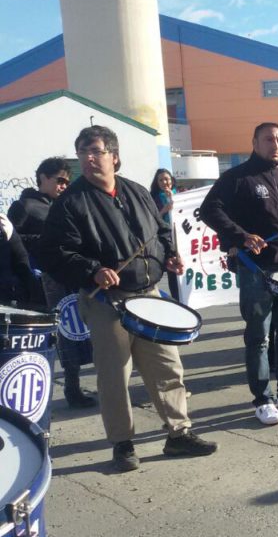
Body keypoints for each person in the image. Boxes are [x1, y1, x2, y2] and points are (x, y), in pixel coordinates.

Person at [39, 125, 217, 471]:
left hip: (149, 296)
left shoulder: (137, 191)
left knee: (167, 366)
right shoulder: (70, 202)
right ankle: (122, 444)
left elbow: (161, 233)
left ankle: (178, 434)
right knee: (114, 376)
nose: (88, 159)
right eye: (82, 153)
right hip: (106, 302)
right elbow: (53, 253)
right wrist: (92, 270)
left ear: (114, 156)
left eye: (95, 151)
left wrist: (168, 255)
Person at [200, 122, 278, 427]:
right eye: (269, 139)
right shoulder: (236, 178)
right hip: (257, 269)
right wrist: (242, 236)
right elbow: (210, 210)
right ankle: (263, 399)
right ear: (254, 142)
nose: (276, 144)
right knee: (258, 337)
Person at [9, 157, 97, 408]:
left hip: (69, 276)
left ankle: (73, 387)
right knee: (55, 336)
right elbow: (13, 240)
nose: (63, 185)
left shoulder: (64, 205)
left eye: (67, 181)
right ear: (43, 178)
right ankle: (47, 392)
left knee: (75, 332)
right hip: (43, 281)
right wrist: (48, 240)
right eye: (59, 180)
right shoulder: (24, 206)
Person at [148, 169, 182, 300]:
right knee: (172, 268)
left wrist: (172, 198)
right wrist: (164, 209)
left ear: (172, 180)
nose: (164, 182)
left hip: (180, 237)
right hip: (165, 239)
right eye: (160, 180)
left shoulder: (180, 195)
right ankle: (176, 299)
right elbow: (152, 219)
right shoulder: (153, 199)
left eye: (167, 179)